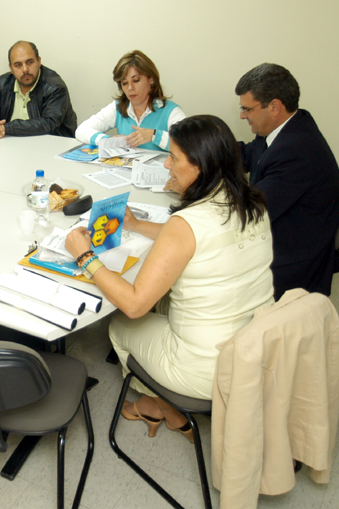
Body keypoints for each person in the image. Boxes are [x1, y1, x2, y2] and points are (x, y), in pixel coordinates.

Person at [66, 115, 273, 438]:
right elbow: (191, 239)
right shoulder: (252, 204)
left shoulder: (186, 223)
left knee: (121, 322)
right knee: (160, 300)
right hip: (253, 348)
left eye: (174, 158)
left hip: (205, 369)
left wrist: (85, 256)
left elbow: (134, 304)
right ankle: (161, 407)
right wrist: (134, 225)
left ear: (200, 166)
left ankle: (160, 406)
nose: (166, 166)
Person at [235, 63, 339, 300]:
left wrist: (198, 195)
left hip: (293, 256)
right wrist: (204, 153)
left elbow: (252, 210)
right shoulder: (288, 126)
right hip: (283, 228)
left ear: (274, 106)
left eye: (247, 109)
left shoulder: (297, 152)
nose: (242, 115)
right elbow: (248, 155)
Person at [75, 50, 185, 151]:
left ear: (151, 79)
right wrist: (108, 140)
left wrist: (154, 135)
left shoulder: (170, 111)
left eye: (136, 80)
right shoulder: (118, 107)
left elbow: (190, 144)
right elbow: (81, 130)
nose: (130, 88)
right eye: (124, 83)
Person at [0, 41, 77, 138]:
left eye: (30, 62)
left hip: (52, 149)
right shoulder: (0, 85)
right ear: (11, 68)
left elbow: (48, 124)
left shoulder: (55, 87)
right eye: (18, 65)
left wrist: (3, 128)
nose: (25, 69)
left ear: (39, 61)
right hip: (12, 148)